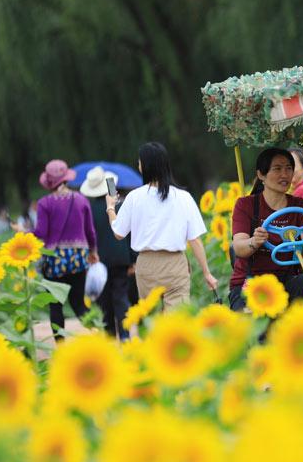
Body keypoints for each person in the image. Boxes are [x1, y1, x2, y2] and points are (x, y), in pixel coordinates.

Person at [107, 142, 217, 307]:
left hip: (146, 265)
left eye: (139, 161)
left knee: (153, 320)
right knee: (177, 321)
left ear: (144, 166)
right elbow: (195, 240)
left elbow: (118, 233)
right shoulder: (183, 197)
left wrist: (110, 207)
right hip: (175, 265)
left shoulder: (134, 198)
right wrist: (207, 273)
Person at [15, 159, 99, 339]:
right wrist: (93, 251)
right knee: (78, 304)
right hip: (78, 258)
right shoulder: (81, 200)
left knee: (55, 305)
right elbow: (90, 230)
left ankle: (60, 348)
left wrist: (23, 231)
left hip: (54, 261)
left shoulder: (45, 203)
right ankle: (98, 335)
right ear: (66, 178)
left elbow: (41, 233)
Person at [229, 148, 303, 311]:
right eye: (277, 169)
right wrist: (254, 241)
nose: (285, 174)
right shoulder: (245, 205)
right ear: (261, 175)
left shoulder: (301, 206)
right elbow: (239, 248)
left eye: (289, 168)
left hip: (287, 280)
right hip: (252, 282)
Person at [82, 166, 134, 340]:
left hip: (99, 260)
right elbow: (129, 234)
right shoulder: (118, 206)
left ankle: (110, 336)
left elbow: (87, 236)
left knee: (105, 302)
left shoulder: (87, 210)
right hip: (121, 258)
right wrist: (133, 260)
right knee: (121, 297)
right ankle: (125, 336)